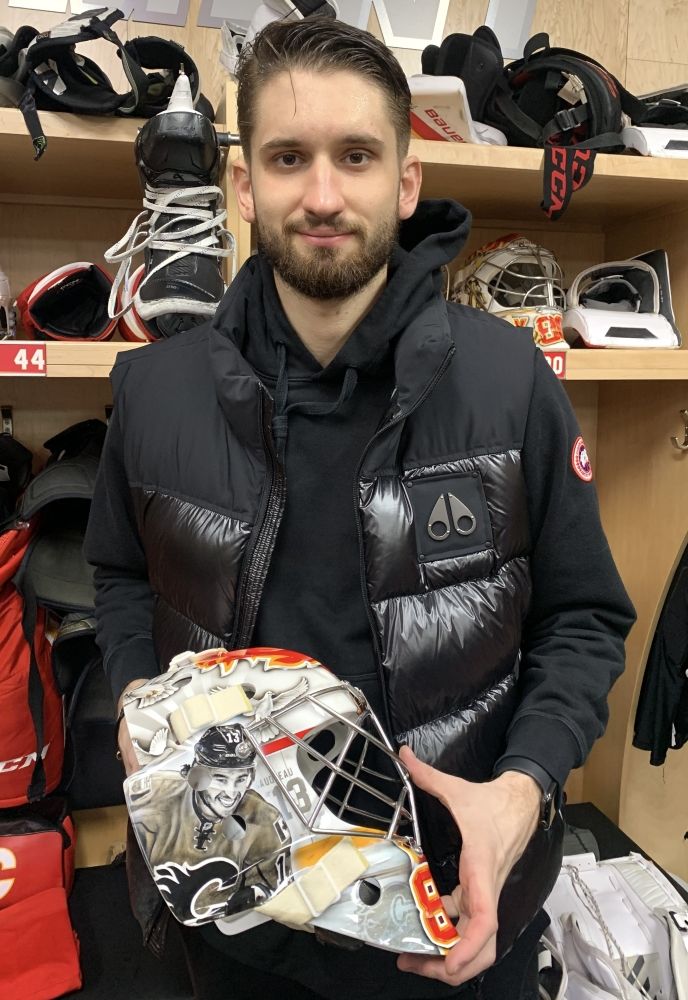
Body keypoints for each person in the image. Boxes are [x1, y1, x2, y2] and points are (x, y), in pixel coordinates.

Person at [84, 14, 636, 1000]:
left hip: (461, 915)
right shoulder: (152, 393)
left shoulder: (510, 383)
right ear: (243, 183)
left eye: (357, 156)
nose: (325, 195)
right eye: (290, 157)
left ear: (406, 180)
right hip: (232, 924)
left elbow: (583, 617)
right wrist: (135, 697)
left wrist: (523, 790)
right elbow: (124, 576)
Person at [127, 723, 291, 924]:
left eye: (240, 779)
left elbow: (273, 896)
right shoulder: (156, 794)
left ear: (251, 777)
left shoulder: (265, 821)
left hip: (230, 924)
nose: (231, 793)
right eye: (220, 779)